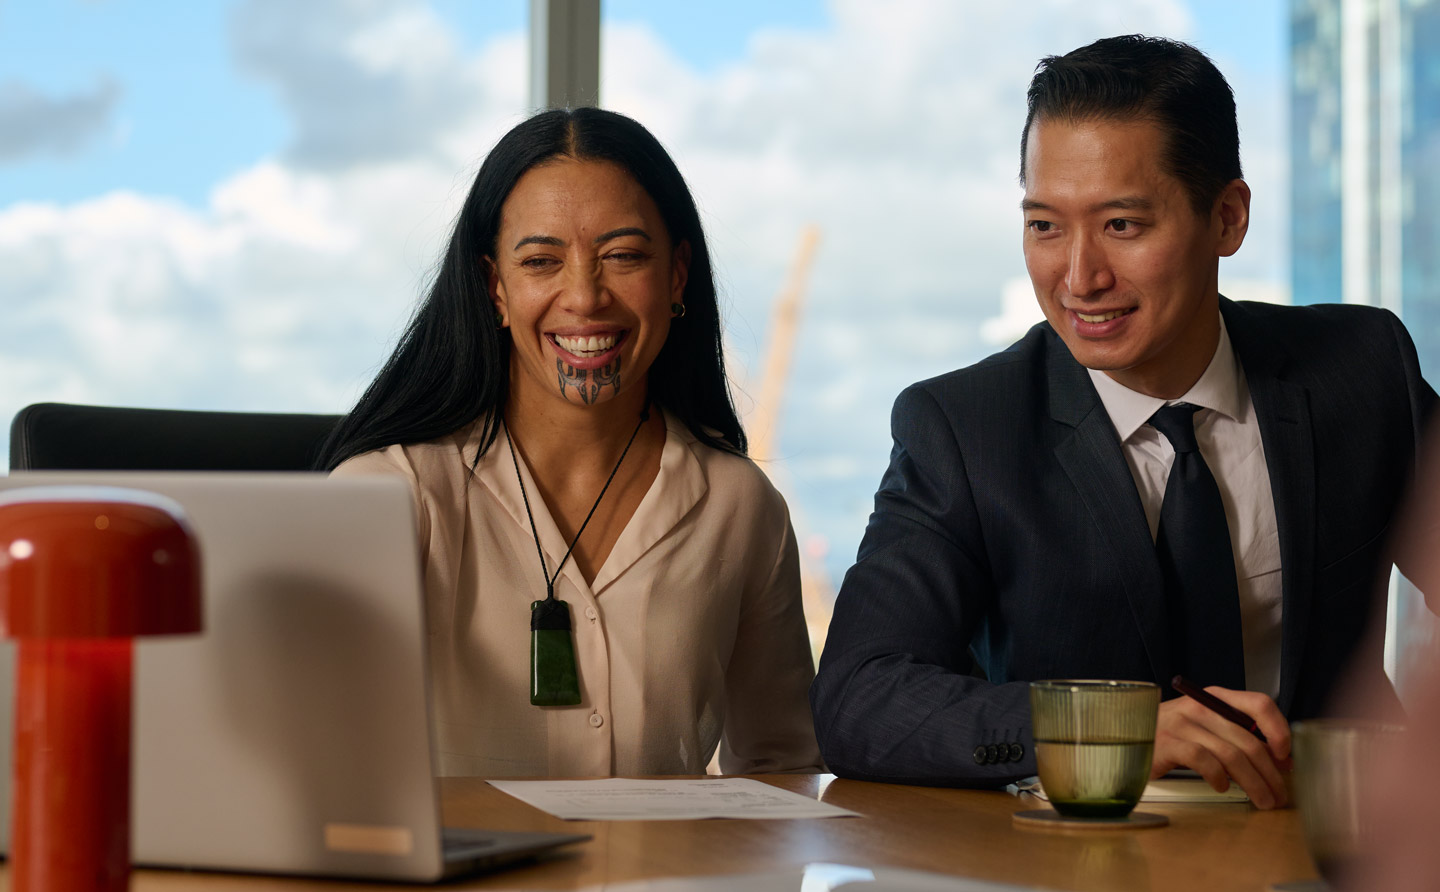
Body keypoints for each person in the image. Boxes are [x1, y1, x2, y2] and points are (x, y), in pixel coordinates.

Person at [810, 35, 1435, 809]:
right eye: (1045, 226)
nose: (1079, 278)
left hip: (1335, 846)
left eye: (1122, 226)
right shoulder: (965, 429)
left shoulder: (1360, 369)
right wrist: (1106, 728)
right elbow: (858, 699)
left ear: (1228, 219)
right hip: (1078, 856)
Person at [322, 107, 821, 777]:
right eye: (541, 260)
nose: (584, 297)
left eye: (623, 256)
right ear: (495, 288)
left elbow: (781, 768)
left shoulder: (742, 508)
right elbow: (317, 760)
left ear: (676, 276)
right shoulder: (391, 498)